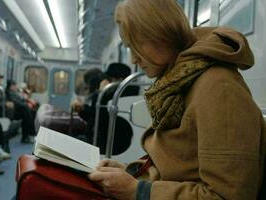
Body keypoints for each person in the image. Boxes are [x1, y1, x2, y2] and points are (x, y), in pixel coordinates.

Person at [88, 0, 266, 200]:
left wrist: (138, 191)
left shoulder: (220, 89)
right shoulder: (180, 80)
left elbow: (226, 195)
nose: (133, 60)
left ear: (159, 35)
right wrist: (131, 173)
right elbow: (180, 164)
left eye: (134, 47)